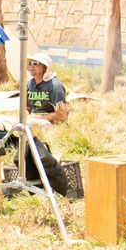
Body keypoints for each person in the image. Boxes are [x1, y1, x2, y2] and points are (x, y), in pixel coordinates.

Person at [21, 44, 82, 196]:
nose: (31, 66)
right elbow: (27, 107)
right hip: (33, 120)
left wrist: (36, 118)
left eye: (36, 63)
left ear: (45, 67)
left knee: (28, 123)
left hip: (49, 123)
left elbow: (62, 115)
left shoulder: (55, 86)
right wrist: (25, 114)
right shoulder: (30, 84)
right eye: (30, 63)